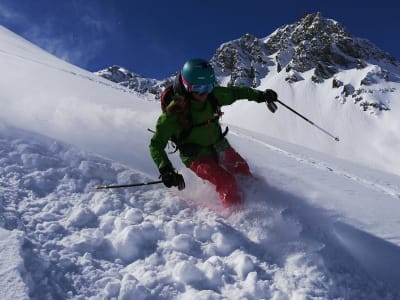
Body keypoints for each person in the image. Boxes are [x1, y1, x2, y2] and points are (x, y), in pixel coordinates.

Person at [149, 58, 278, 207]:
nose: (203, 94)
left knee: (242, 169)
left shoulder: (213, 96)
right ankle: (239, 216)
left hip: (219, 145)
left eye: (208, 87)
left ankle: (260, 200)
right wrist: (165, 168)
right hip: (196, 156)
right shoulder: (173, 114)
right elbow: (156, 144)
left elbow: (237, 92)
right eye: (198, 88)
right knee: (227, 182)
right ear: (186, 86)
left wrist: (261, 96)